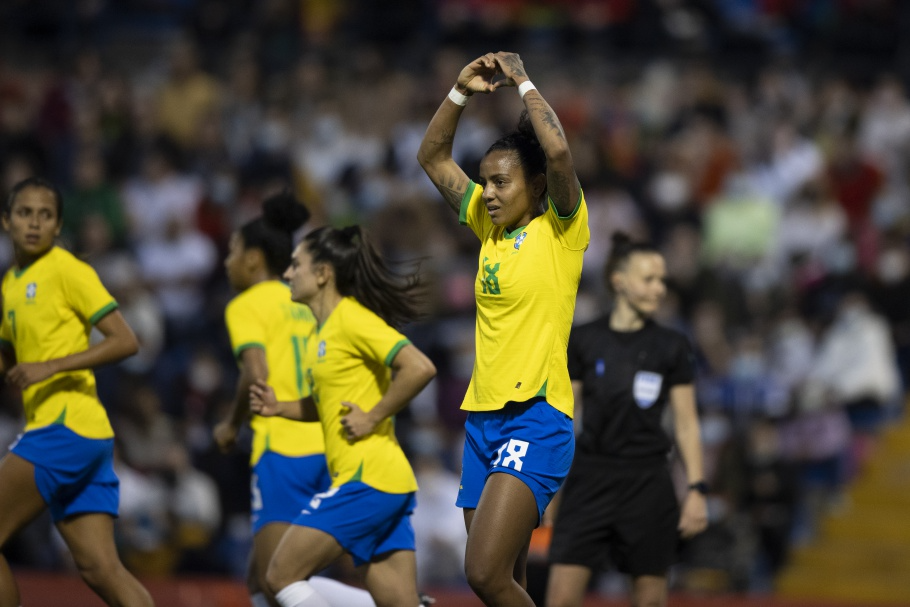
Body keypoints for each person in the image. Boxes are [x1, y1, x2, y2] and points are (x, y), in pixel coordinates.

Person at [417, 52, 589, 606]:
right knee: (503, 584)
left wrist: (523, 81)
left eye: (501, 182)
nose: (487, 193)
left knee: (484, 574)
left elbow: (558, 150)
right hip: (482, 421)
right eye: (485, 182)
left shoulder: (562, 230)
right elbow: (431, 156)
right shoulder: (485, 228)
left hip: (536, 417)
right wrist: (460, 92)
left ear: (536, 186)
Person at [214, 192, 387, 607]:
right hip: (330, 443)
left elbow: (256, 374)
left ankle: (392, 605)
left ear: (254, 258)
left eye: (232, 251)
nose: (226, 261)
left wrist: (231, 424)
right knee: (261, 578)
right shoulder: (311, 299)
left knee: (278, 579)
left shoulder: (246, 305)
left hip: (283, 447)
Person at [249, 225, 437, 607]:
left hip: (367, 480)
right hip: (387, 484)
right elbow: (327, 405)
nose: (287, 273)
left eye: (296, 265)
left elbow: (419, 367)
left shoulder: (352, 319)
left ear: (323, 273)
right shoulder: (323, 332)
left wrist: (372, 416)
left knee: (279, 577)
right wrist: (280, 407)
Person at [0, 177, 154, 607]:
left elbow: (126, 339)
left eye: (45, 215)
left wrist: (49, 367)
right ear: (6, 222)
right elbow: (9, 356)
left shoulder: (67, 269)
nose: (34, 223)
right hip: (85, 437)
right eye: (24, 213)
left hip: (62, 429)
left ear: (58, 225)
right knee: (100, 569)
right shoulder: (11, 283)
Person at [545, 232, 708, 607]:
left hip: (648, 482)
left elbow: (686, 422)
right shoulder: (585, 339)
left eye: (662, 280)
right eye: (649, 279)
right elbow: (565, 418)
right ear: (619, 281)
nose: (659, 288)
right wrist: (550, 485)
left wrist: (697, 490)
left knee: (649, 601)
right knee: (559, 599)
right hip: (590, 479)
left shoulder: (672, 345)